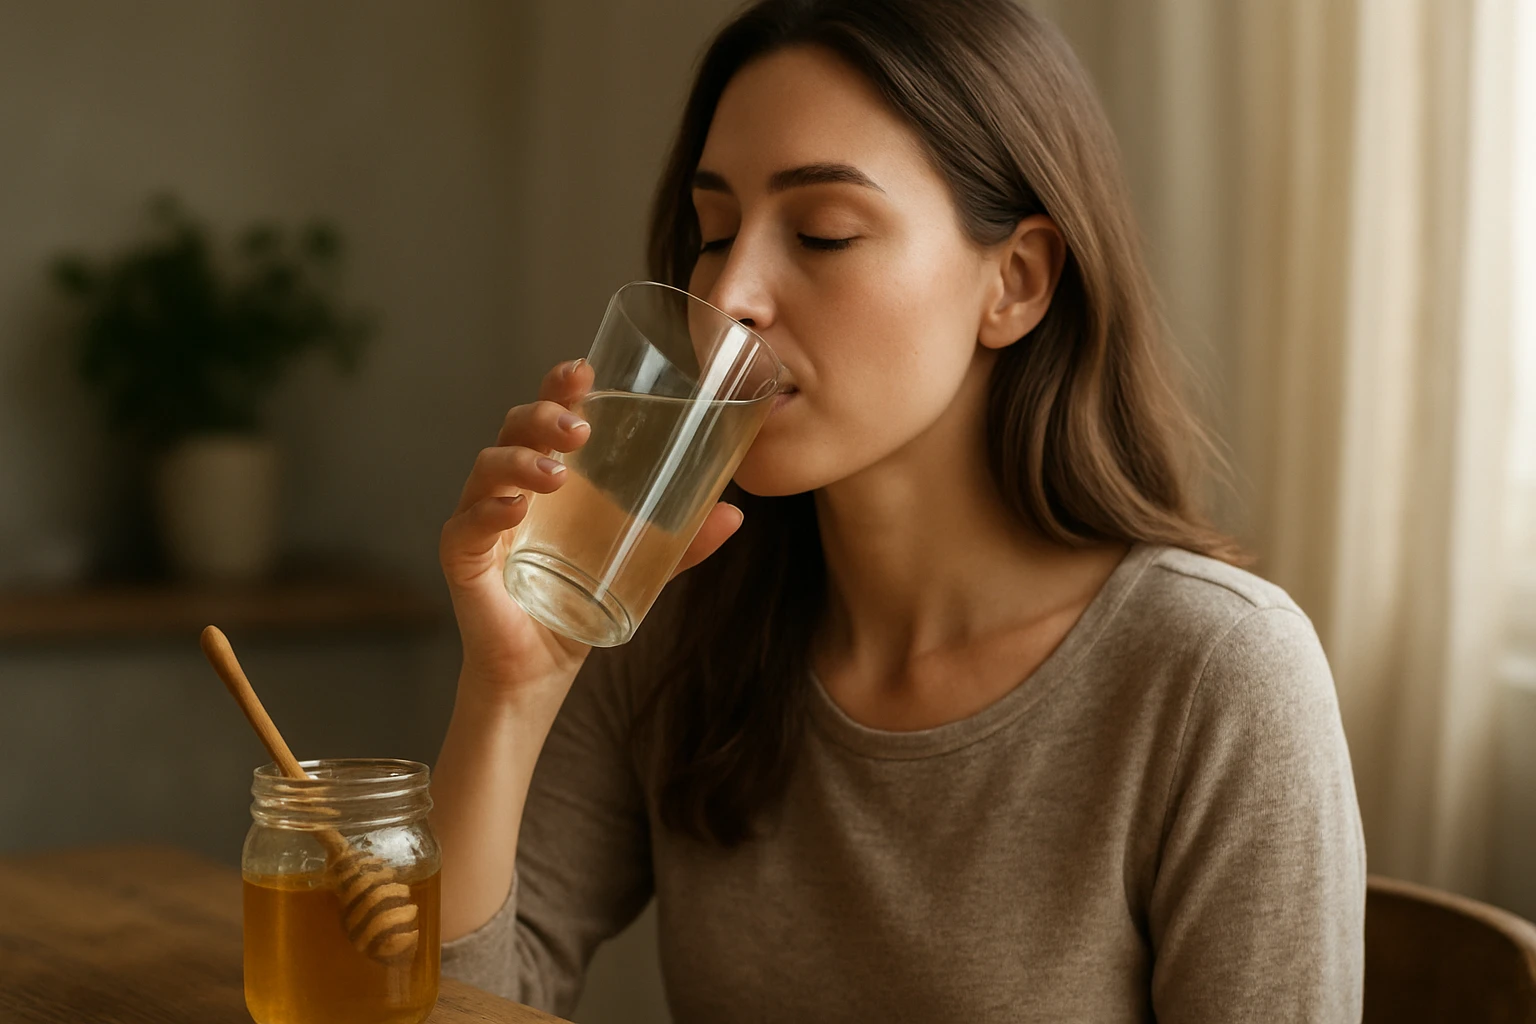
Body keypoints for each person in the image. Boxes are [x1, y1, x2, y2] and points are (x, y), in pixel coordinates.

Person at [430, 1, 1366, 1020]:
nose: (731, 296)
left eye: (823, 233)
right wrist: (508, 691)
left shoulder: (1217, 677)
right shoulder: (678, 622)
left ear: (1016, 282)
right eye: (715, 233)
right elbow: (456, 1005)